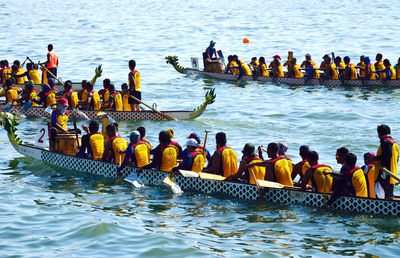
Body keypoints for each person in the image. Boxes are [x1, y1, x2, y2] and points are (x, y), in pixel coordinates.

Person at [370, 124, 399, 199]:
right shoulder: (395, 144)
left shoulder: (385, 142)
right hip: (392, 173)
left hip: (384, 174)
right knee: (388, 194)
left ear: (379, 134)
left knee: (379, 195)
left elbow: (387, 155)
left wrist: (374, 159)